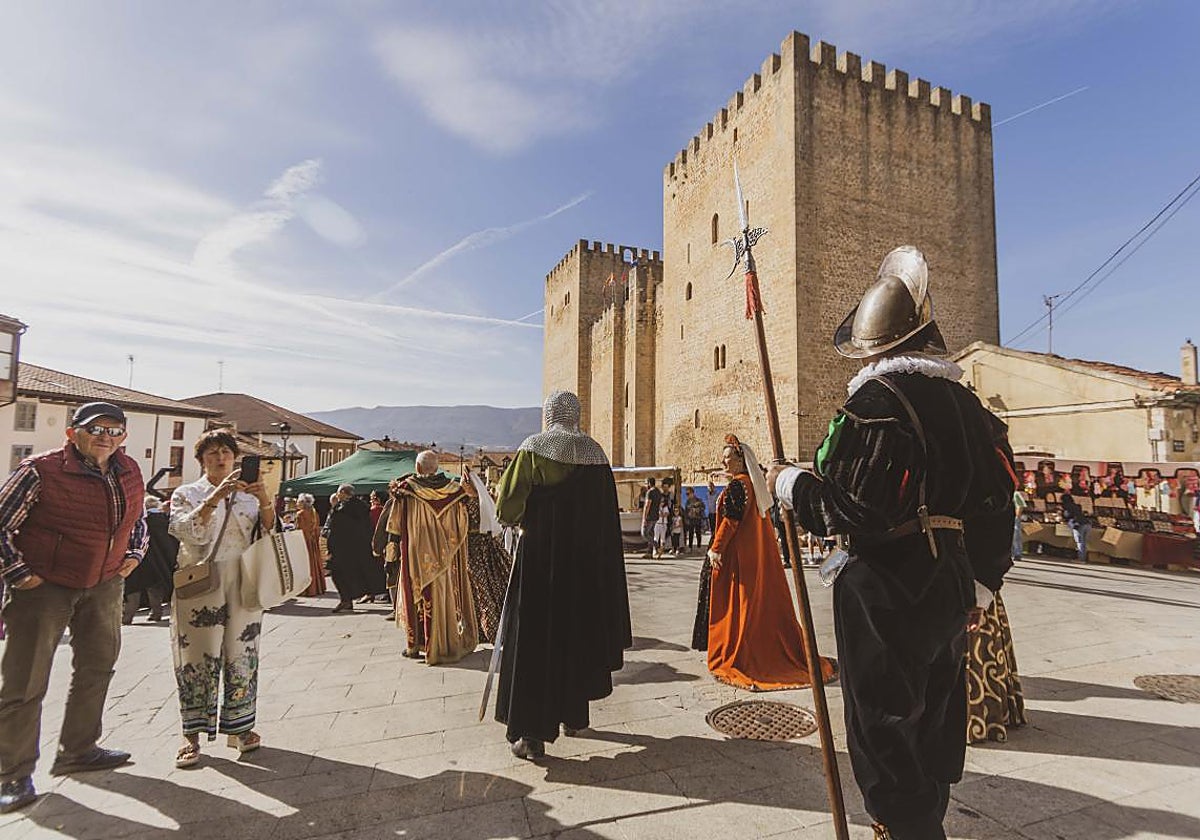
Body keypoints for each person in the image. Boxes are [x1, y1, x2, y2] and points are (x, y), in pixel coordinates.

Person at [768, 246, 1016, 840]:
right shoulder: (969, 407)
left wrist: (787, 481)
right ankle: (928, 819)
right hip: (952, 585)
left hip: (885, 589)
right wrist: (982, 584)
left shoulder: (874, 404)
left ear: (874, 348)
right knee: (934, 715)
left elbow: (847, 509)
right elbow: (998, 502)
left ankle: (906, 831)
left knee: (883, 721)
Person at [0, 402, 145, 813]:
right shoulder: (38, 470)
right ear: (73, 433)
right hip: (45, 587)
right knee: (25, 682)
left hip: (104, 584)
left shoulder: (129, 469)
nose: (106, 436)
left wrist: (133, 555)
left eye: (114, 430)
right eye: (96, 428)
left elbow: (137, 519)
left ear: (124, 436)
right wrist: (20, 574)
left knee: (97, 667)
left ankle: (78, 750)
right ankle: (12, 773)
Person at [493, 390, 631, 760]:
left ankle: (533, 735)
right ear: (576, 414)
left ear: (549, 413)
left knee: (537, 641)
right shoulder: (596, 453)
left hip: (542, 560)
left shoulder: (534, 447)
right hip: (585, 566)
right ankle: (573, 716)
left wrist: (516, 519)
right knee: (576, 635)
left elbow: (508, 504)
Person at [692, 434, 835, 691]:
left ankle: (739, 654)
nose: (723, 463)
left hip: (736, 557)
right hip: (749, 556)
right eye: (723, 458)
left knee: (737, 605)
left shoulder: (738, 485)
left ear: (740, 460)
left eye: (728, 458)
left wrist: (716, 549)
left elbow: (731, 522)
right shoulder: (751, 485)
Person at [168, 430, 275, 769]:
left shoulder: (248, 497)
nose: (221, 458)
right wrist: (214, 497)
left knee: (242, 653)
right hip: (200, 580)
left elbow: (268, 534)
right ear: (201, 459)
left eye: (226, 452)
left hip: (243, 578)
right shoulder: (187, 493)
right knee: (196, 656)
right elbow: (185, 531)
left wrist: (266, 501)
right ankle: (192, 735)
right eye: (213, 453)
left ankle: (240, 729)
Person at [385, 451, 478, 664]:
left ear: (418, 468)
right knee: (444, 596)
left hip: (417, 553)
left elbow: (395, 525)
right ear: (436, 468)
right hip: (446, 557)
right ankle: (445, 641)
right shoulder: (454, 490)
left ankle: (416, 645)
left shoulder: (407, 490)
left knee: (417, 595)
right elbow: (465, 522)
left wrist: (391, 549)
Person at [459, 465, 514, 644]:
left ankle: (488, 629)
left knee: (481, 588)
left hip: (475, 549)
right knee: (482, 588)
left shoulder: (469, 503)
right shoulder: (478, 500)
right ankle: (481, 628)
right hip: (481, 546)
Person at [326, 484, 386, 612]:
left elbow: (338, 529)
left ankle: (346, 600)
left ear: (343, 492)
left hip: (345, 548)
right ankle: (348, 599)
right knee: (349, 574)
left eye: (338, 492)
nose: (337, 495)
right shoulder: (357, 507)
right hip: (353, 548)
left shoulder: (347, 509)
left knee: (340, 573)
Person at [123, 495, 178, 623]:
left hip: (137, 557)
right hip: (157, 559)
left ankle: (127, 616)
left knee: (133, 587)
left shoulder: (139, 520)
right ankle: (156, 613)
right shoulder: (165, 520)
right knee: (155, 587)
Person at [294, 493, 327, 597]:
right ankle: (317, 587)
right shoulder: (314, 513)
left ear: (303, 503)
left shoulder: (300, 514)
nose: (297, 503)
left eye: (298, 501)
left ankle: (306, 589)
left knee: (304, 565)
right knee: (314, 564)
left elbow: (299, 530)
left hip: (304, 542)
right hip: (312, 542)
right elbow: (316, 529)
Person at [1059, 493, 1090, 561]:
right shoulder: (1077, 506)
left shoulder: (1066, 507)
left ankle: (1081, 559)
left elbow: (1067, 515)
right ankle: (1083, 557)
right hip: (1087, 523)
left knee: (1079, 542)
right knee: (1084, 542)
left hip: (1078, 524)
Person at [640, 477, 663, 558]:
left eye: (646, 483)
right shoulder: (658, 492)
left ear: (649, 483)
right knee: (651, 533)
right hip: (655, 516)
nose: (646, 485)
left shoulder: (650, 492)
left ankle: (657, 547)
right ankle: (650, 552)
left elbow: (647, 505)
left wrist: (644, 518)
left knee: (644, 533)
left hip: (649, 517)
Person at [1011, 488, 1029, 562]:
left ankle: (1017, 553)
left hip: (1014, 517)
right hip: (1008, 517)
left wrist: (1017, 516)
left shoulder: (1016, 494)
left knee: (1016, 535)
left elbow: (1020, 506)